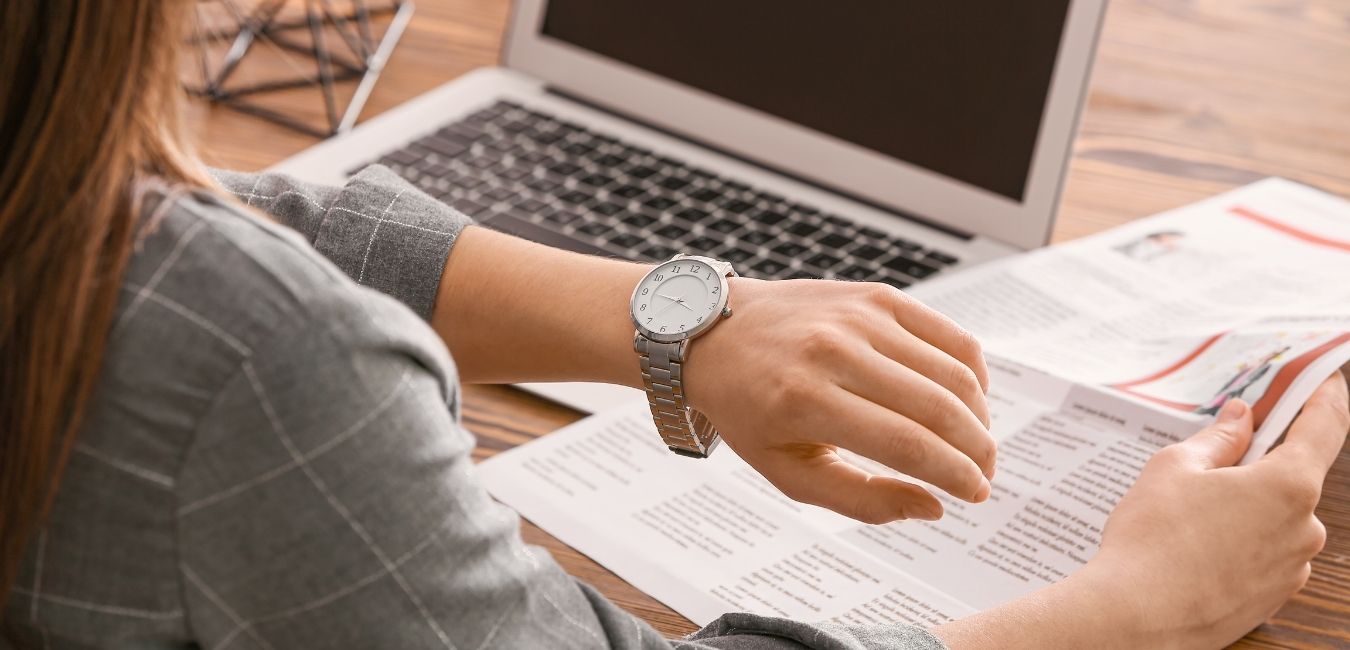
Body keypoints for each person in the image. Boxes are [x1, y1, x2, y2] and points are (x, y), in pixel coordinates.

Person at [1, 2, 1345, 648]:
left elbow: (178, 207)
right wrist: (1125, 610)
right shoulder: (251, 363)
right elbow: (216, 289)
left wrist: (687, 321)